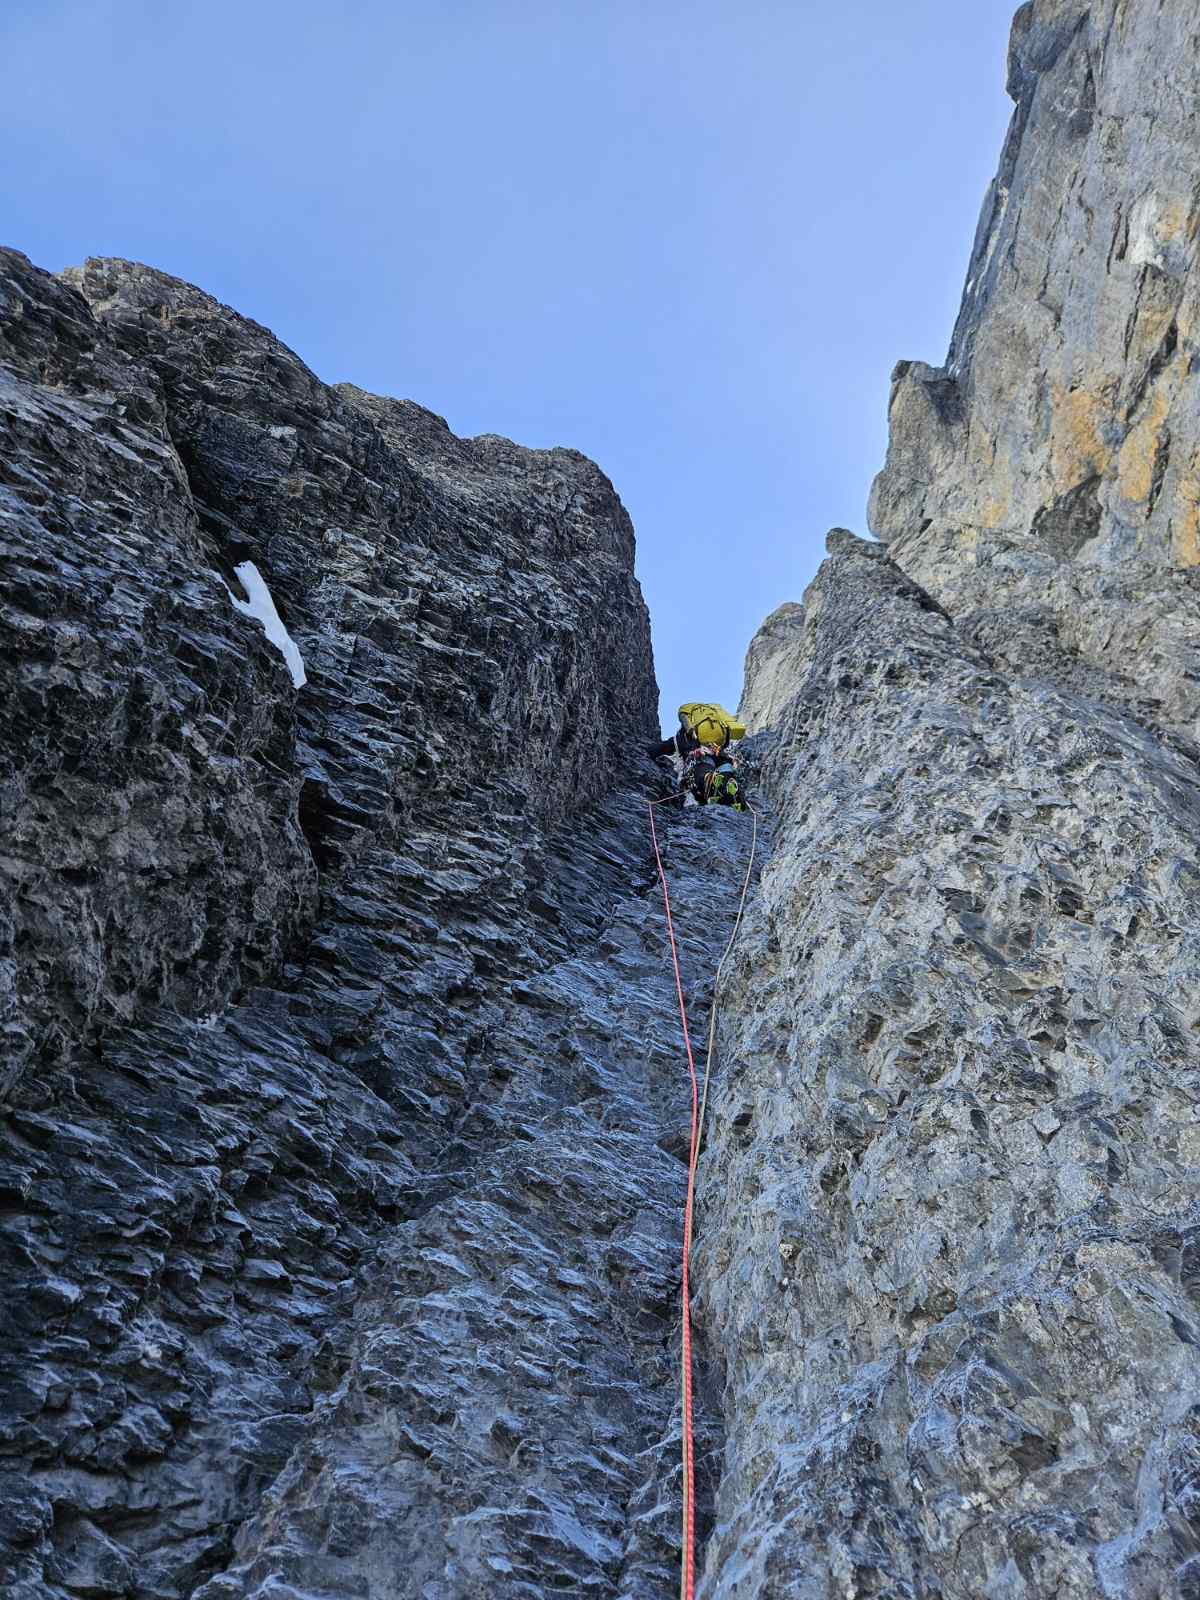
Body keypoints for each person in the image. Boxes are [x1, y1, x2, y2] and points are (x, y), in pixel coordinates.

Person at [647, 702, 749, 811]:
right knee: (724, 771)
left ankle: (710, 780)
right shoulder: (717, 721)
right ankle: (732, 790)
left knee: (703, 769)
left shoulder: (680, 738)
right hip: (719, 753)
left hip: (701, 756)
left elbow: (661, 748)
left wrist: (648, 752)